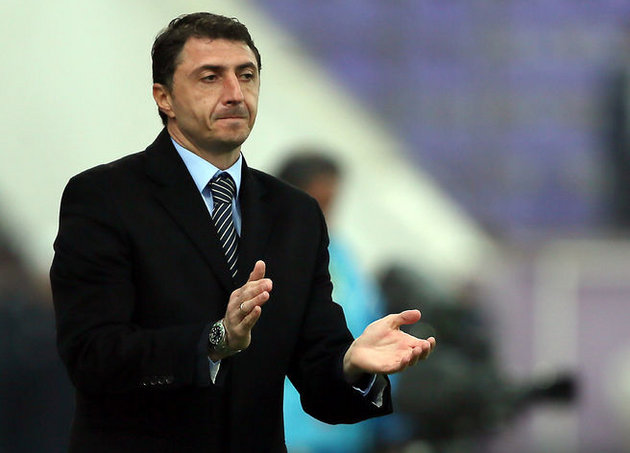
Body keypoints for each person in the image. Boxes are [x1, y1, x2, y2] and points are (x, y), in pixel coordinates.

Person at [50, 12, 436, 453]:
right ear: (164, 97)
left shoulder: (295, 213)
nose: (235, 93)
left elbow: (318, 373)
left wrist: (352, 364)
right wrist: (216, 340)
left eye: (246, 75)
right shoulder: (104, 197)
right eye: (210, 77)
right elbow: (92, 356)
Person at [277, 152, 387, 452]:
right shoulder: (256, 257)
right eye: (317, 203)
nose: (324, 215)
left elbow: (370, 332)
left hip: (344, 436)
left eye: (330, 204)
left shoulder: (343, 260)